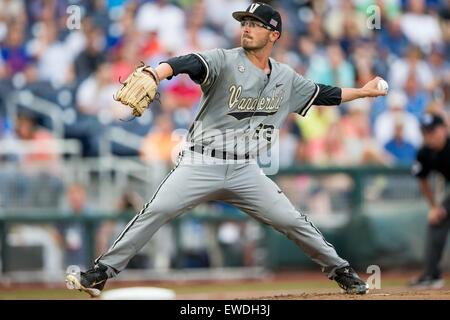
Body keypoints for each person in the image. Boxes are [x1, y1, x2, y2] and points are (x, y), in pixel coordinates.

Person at [66, 2, 387, 297]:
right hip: (201, 162)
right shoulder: (224, 59)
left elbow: (323, 93)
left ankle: (341, 270)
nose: (247, 27)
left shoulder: (286, 77)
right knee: (156, 211)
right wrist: (155, 71)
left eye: (255, 23)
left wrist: (363, 91)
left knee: (292, 220)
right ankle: (101, 272)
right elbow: (187, 63)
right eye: (244, 22)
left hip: (245, 170)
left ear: (273, 34)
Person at [409, 113, 450, 289]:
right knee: (437, 218)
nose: (428, 136)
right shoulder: (424, 152)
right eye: (425, 132)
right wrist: (434, 207)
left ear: (444, 129)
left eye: (432, 131)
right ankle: (431, 274)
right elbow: (423, 181)